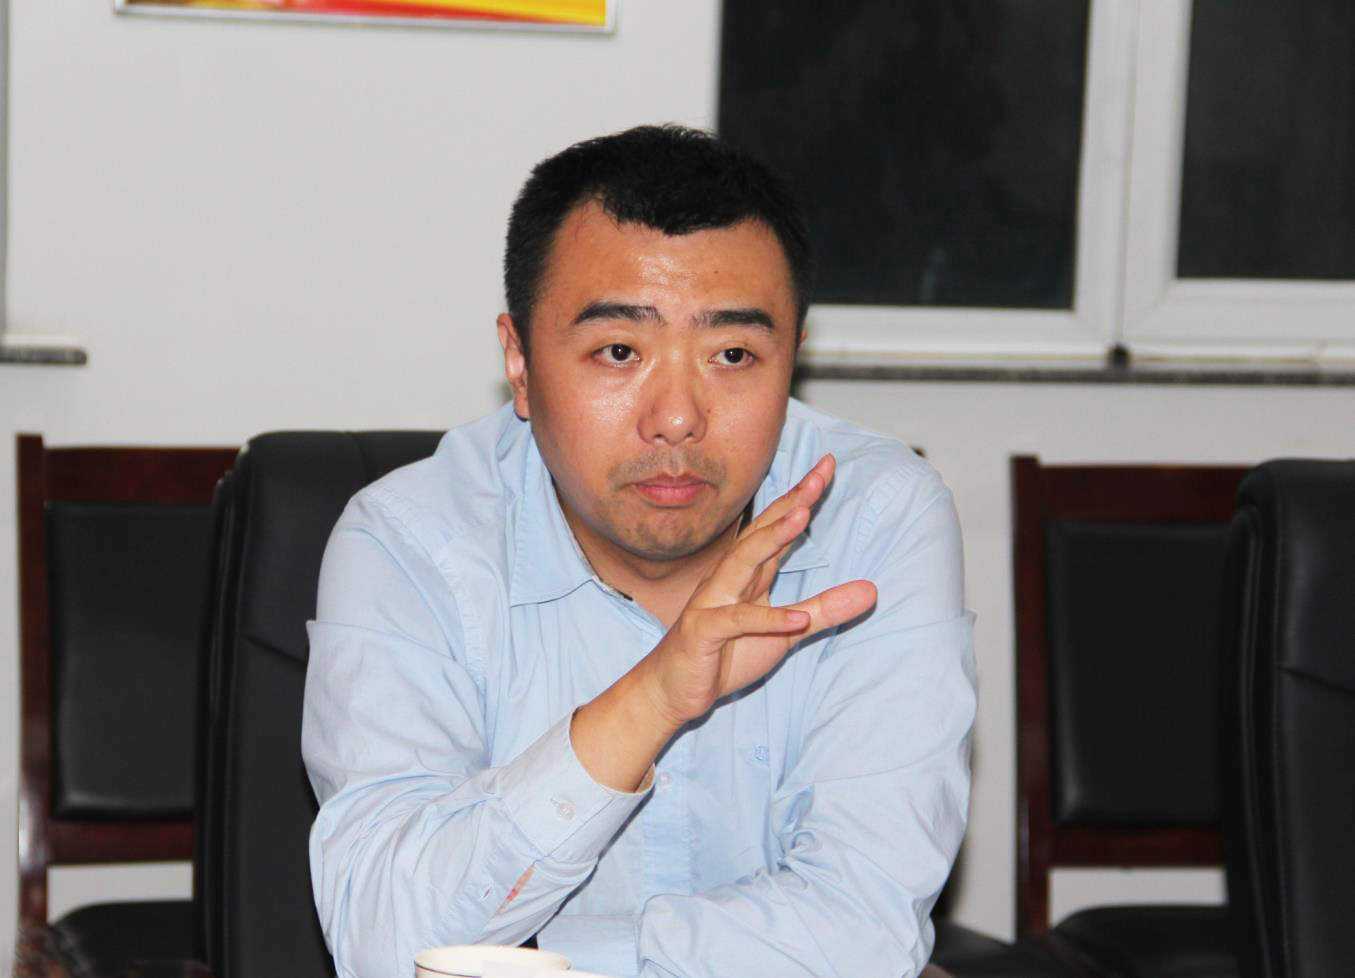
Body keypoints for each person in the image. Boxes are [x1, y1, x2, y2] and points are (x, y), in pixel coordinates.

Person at [302, 125, 976, 978]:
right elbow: (384, 941)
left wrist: (543, 959)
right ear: (519, 361)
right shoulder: (410, 544)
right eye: (619, 351)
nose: (677, 418)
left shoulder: (874, 519)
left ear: (792, 363)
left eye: (733, 354)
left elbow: (866, 928)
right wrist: (651, 698)